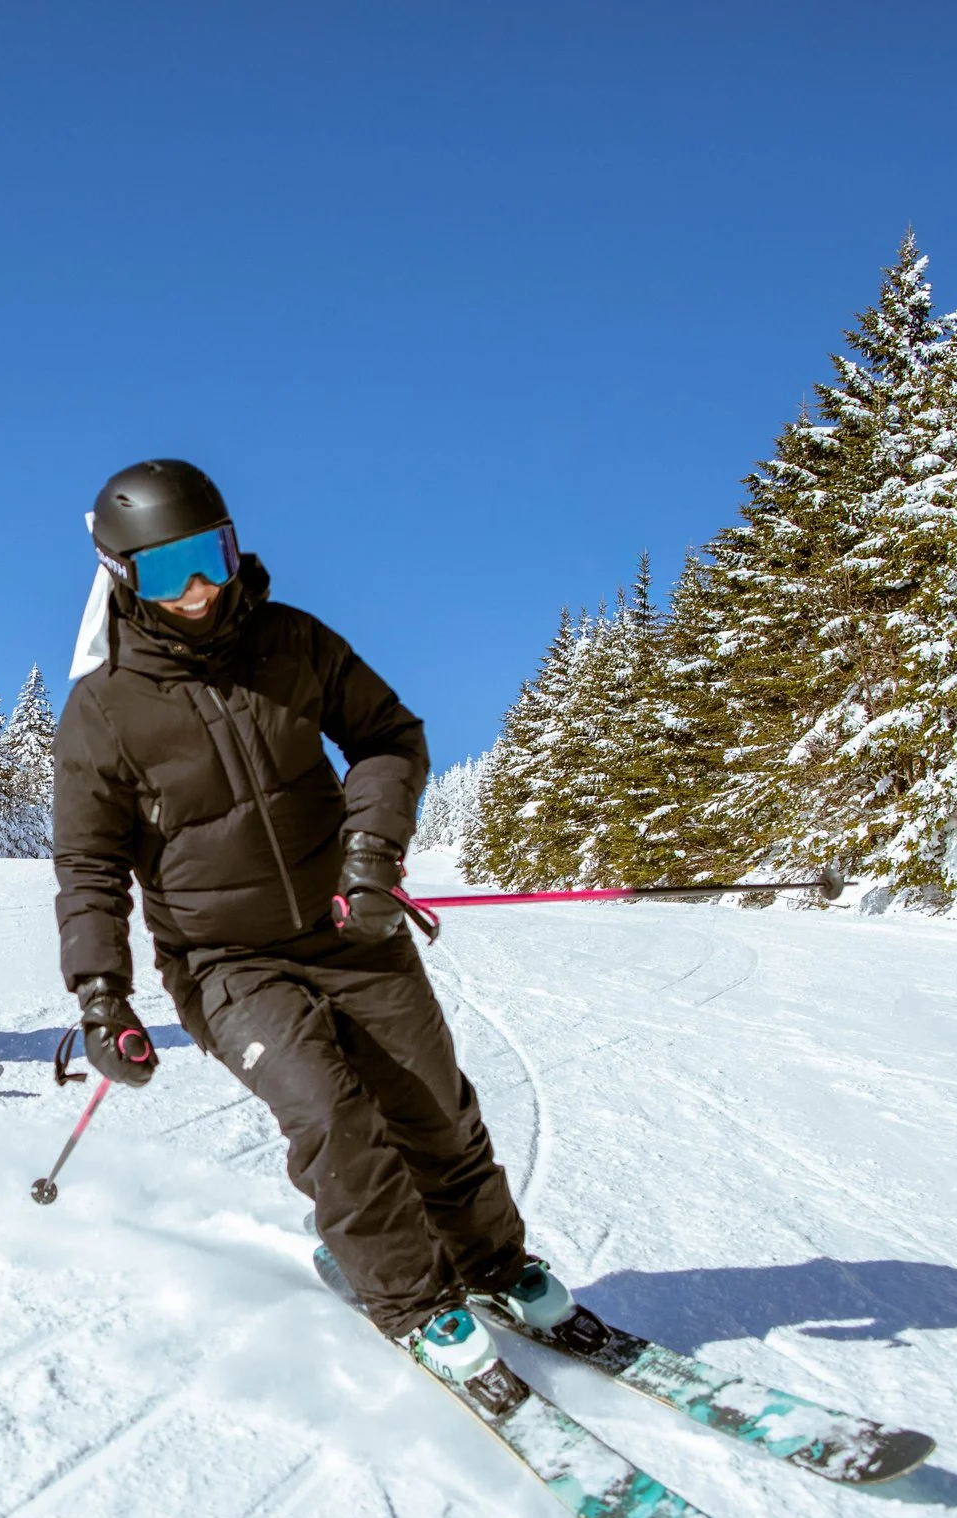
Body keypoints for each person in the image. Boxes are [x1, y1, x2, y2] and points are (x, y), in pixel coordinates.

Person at [51, 460, 570, 1381]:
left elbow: (387, 735)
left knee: (433, 1106)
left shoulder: (292, 642)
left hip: (349, 920)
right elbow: (89, 864)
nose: (201, 588)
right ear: (124, 576)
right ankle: (412, 1299)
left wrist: (373, 851)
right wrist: (102, 995)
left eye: (209, 557)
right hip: (223, 959)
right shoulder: (104, 711)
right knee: (335, 1113)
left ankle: (491, 1263)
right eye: (168, 573)